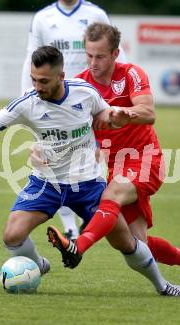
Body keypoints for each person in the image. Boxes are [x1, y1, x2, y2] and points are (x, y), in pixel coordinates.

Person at [0, 46, 180, 297]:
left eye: (44, 81)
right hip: (47, 183)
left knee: (126, 243)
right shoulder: (28, 102)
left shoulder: (84, 92)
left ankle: (163, 286)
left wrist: (117, 118)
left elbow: (103, 114)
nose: (38, 86)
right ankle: (38, 265)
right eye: (34, 79)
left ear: (61, 76)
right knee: (12, 236)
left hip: (88, 185)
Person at [46, 23, 180, 297]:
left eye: (100, 56)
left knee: (111, 196)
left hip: (145, 160)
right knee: (136, 244)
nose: (93, 62)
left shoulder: (131, 75)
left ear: (116, 53)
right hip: (115, 166)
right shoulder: (80, 85)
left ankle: (77, 247)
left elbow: (148, 112)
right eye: (89, 55)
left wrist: (123, 113)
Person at [21, 0, 126, 239]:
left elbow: (116, 56)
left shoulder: (96, 13)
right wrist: (26, 100)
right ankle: (69, 226)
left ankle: (93, 217)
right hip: (55, 104)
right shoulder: (43, 18)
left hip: (90, 99)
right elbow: (31, 59)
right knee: (57, 160)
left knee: (92, 158)